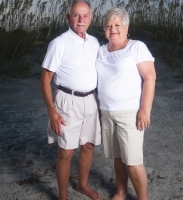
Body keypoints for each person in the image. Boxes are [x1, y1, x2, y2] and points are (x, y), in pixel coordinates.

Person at [40, 1, 101, 200]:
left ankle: (82, 185)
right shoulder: (59, 43)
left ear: (91, 18)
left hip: (90, 100)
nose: (81, 20)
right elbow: (45, 78)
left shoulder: (94, 43)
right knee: (66, 151)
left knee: (88, 145)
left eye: (85, 15)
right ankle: (63, 195)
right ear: (68, 18)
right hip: (67, 100)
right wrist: (52, 112)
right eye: (76, 15)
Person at [96, 8, 156, 200]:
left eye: (117, 25)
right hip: (106, 112)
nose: (112, 29)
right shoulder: (100, 51)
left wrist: (145, 110)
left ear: (126, 27)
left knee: (133, 160)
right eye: (108, 25)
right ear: (104, 29)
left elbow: (150, 78)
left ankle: (143, 198)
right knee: (118, 157)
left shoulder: (136, 47)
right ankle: (121, 192)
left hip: (130, 113)